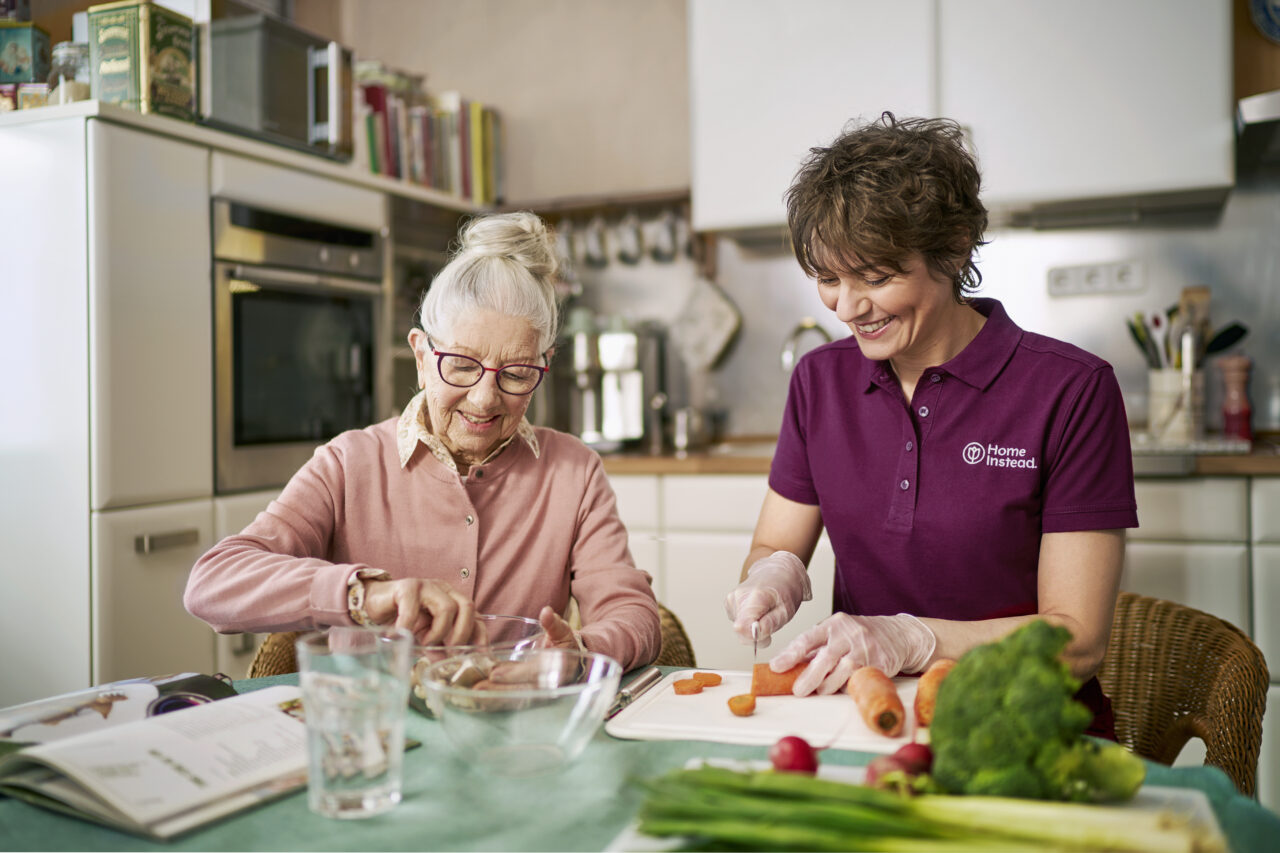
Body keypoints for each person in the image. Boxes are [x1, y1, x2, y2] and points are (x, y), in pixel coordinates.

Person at [723, 113, 1137, 736]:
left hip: (1026, 733)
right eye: (828, 279)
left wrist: (914, 640)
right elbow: (774, 543)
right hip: (869, 722)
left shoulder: (1072, 390)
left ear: (954, 248)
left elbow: (1076, 642)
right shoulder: (819, 381)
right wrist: (771, 574)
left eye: (877, 277)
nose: (848, 307)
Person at [186, 212, 661, 671]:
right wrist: (364, 596)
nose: (483, 398)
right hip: (378, 738)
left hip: (518, 736)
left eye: (516, 374)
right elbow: (213, 584)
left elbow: (635, 617)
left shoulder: (574, 472)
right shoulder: (349, 464)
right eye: (460, 364)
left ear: (543, 369)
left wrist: (579, 654)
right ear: (420, 355)